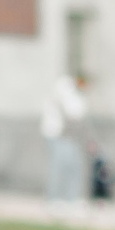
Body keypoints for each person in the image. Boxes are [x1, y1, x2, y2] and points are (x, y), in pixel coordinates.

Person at [42, 74, 89, 207]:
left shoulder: (77, 94)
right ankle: (53, 199)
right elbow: (71, 112)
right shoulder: (64, 87)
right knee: (58, 166)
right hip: (57, 134)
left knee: (74, 166)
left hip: (69, 136)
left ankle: (71, 199)